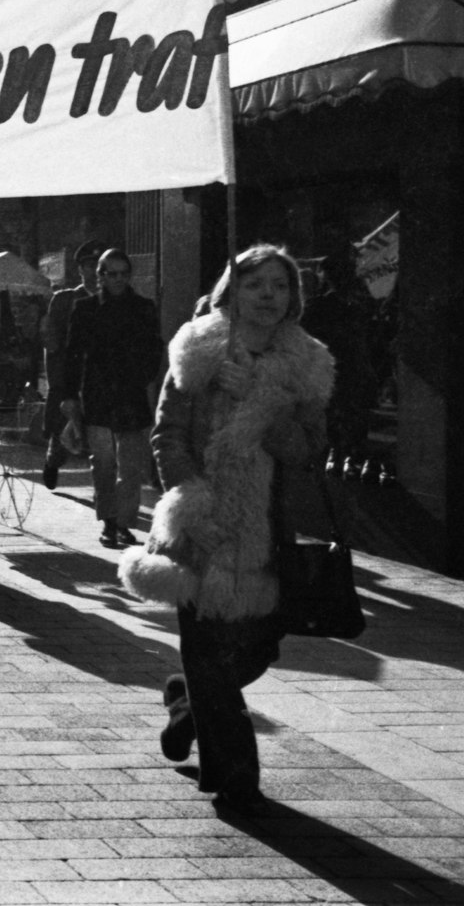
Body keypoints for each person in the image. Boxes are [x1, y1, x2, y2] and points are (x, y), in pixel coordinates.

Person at [120, 244, 333, 813]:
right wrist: (191, 501)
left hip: (268, 529)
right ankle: (235, 776)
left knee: (258, 649)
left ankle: (187, 703)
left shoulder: (306, 362)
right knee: (210, 649)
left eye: (280, 285)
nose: (268, 295)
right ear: (230, 291)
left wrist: (262, 400)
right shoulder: (199, 348)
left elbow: (309, 449)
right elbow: (167, 435)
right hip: (205, 524)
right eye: (256, 283)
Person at [61, 248, 165, 549]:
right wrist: (69, 395)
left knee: (130, 467)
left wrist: (143, 376)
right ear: (101, 276)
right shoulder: (86, 308)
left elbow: (154, 348)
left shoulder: (144, 307)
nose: (118, 279)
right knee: (103, 463)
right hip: (97, 397)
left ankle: (124, 524)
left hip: (131, 396)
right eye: (112, 273)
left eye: (123, 273)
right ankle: (108, 522)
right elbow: (72, 355)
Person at [300, 245, 378, 479]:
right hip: (359, 367)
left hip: (334, 370)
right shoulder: (364, 302)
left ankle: (334, 458)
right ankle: (353, 459)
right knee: (356, 417)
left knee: (332, 417)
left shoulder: (321, 306)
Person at [41, 240, 103, 488]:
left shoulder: (113, 299)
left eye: (99, 266)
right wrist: (57, 384)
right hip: (70, 380)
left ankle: (104, 498)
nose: (94, 271)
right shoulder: (64, 300)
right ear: (80, 270)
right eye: (89, 266)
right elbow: (53, 345)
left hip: (99, 381)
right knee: (63, 438)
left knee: (101, 442)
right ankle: (52, 462)